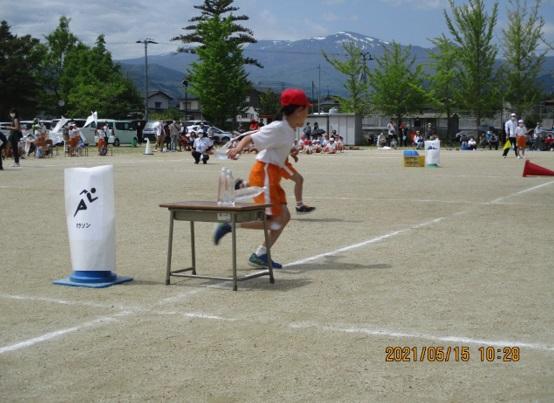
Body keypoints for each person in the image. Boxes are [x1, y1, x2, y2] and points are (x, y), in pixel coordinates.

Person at [213, 88, 311, 269]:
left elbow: (277, 144)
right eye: (307, 110)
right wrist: (237, 149)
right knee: (275, 220)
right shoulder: (279, 127)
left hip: (272, 173)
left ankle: (260, 254)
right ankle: (231, 224)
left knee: (284, 217)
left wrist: (290, 151)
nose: (307, 114)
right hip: (265, 172)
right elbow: (250, 137)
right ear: (299, 110)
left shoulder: (288, 128)